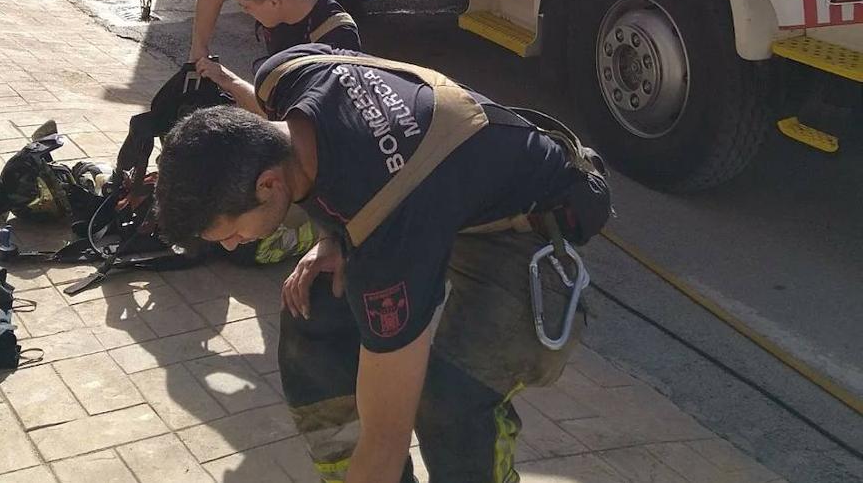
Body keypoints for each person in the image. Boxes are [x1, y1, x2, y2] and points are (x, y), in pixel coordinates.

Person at [154, 44, 611, 483]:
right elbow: (352, 144)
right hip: (442, 198)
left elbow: (386, 438)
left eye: (231, 233)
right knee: (313, 309)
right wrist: (334, 235)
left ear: (269, 185)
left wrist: (354, 229)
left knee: (452, 399)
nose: (233, 247)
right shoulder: (287, 73)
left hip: (526, 226)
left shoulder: (388, 241)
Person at [189, 0, 360, 115]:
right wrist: (199, 45)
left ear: (273, 3)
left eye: (246, 6)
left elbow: (290, 120)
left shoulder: (334, 41)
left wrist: (228, 80)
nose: (245, 12)